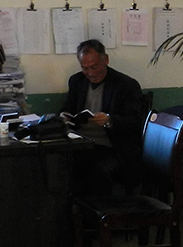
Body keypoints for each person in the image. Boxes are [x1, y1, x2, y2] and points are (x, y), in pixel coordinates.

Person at [62, 39, 146, 195]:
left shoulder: (126, 85)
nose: (90, 73)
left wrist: (109, 120)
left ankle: (101, 216)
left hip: (113, 147)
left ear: (105, 60)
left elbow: (135, 122)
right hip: (82, 144)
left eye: (94, 67)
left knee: (98, 172)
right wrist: (64, 117)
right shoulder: (77, 81)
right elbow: (68, 109)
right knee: (59, 166)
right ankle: (74, 214)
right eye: (85, 68)